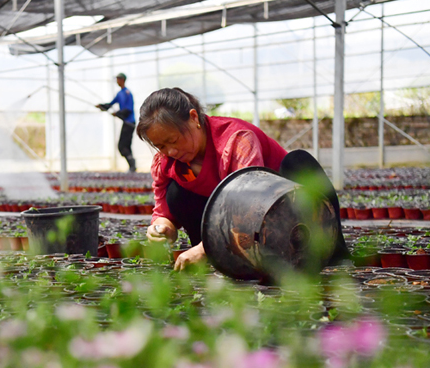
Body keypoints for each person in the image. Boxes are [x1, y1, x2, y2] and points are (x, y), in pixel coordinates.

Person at [138, 87, 351, 271]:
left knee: (298, 161)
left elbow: (249, 206)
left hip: (282, 212)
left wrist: (207, 248)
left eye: (173, 140)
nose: (171, 151)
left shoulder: (236, 141)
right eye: (161, 146)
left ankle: (335, 255)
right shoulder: (166, 163)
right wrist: (162, 227)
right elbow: (163, 211)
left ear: (194, 118)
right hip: (234, 229)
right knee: (176, 193)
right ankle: (214, 261)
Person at [97, 73, 137, 172]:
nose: (117, 81)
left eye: (118, 79)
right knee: (125, 145)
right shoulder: (119, 94)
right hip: (126, 123)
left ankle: (132, 165)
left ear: (122, 80)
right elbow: (110, 104)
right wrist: (102, 106)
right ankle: (132, 166)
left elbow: (128, 110)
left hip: (129, 123)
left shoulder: (127, 93)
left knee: (122, 145)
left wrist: (117, 113)